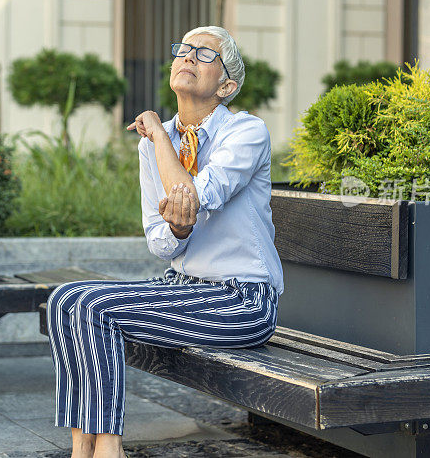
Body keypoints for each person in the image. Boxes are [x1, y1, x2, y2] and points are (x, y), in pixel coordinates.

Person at [46, 25, 283, 458]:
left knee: (95, 309)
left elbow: (190, 197)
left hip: (242, 299)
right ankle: (83, 449)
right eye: (184, 50)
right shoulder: (156, 141)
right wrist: (177, 228)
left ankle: (109, 450)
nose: (189, 56)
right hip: (183, 290)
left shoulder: (246, 132)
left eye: (205, 54)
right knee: (65, 299)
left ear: (227, 86)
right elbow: (161, 241)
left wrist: (159, 137)